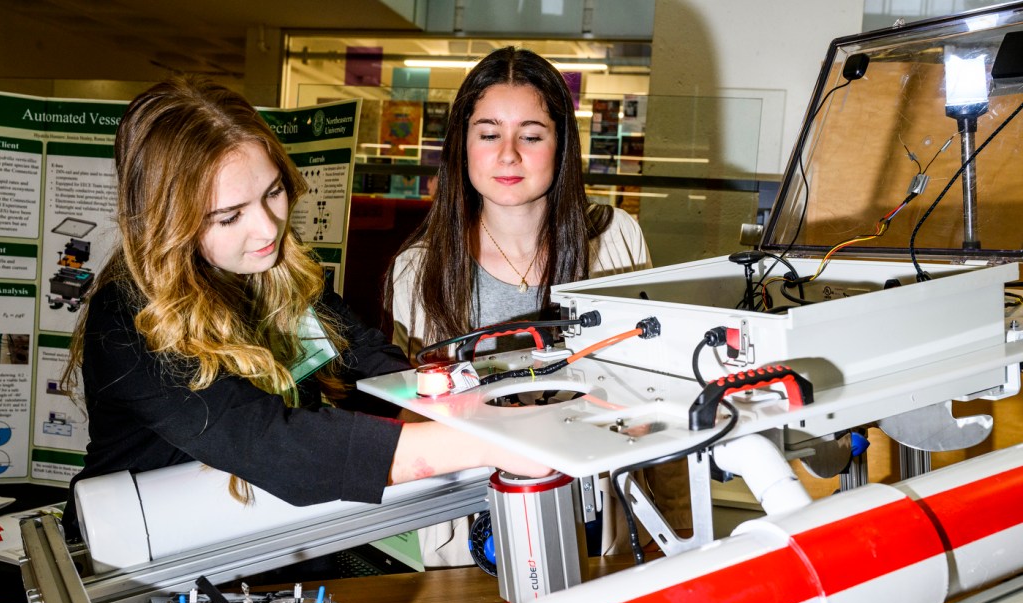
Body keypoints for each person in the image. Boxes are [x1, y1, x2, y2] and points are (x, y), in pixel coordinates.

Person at [59, 74, 551, 543]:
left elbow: (372, 366)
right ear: (168, 222)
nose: (269, 228)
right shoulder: (130, 315)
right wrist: (491, 443)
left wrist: (477, 404)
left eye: (273, 192)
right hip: (134, 560)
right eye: (230, 216)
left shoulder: (274, 274)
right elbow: (273, 444)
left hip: (251, 542)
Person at [385, 47, 673, 566]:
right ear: (462, 145)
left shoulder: (614, 240)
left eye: (532, 135)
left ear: (561, 146)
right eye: (489, 133)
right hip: (469, 534)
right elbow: (410, 421)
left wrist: (669, 526)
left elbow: (659, 388)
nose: (509, 154)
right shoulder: (418, 268)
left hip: (597, 519)